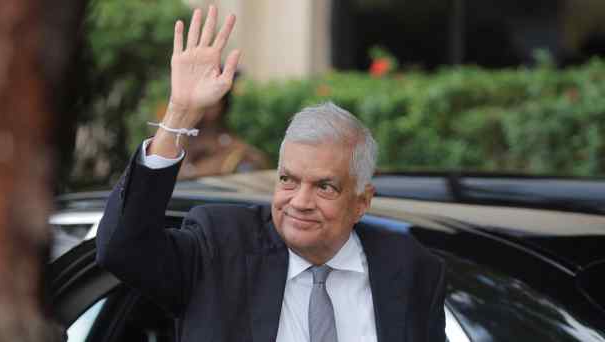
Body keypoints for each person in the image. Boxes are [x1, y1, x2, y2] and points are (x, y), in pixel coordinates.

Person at [96, 5, 446, 342]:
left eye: (324, 187)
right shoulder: (220, 248)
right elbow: (122, 248)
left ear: (362, 201)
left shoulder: (411, 269)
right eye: (287, 180)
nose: (300, 202)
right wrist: (180, 113)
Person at [177, 74, 270, 179]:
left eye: (213, 100)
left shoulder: (233, 146)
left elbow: (257, 160)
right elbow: (175, 173)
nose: (206, 106)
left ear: (222, 104)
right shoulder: (181, 138)